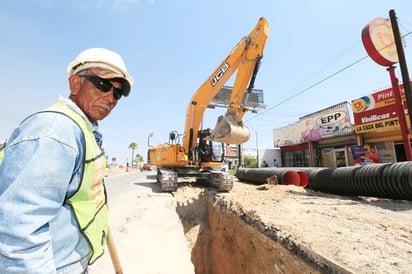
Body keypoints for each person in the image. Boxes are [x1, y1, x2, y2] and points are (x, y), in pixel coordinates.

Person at [0, 48, 134, 273]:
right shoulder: (56, 131)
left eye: (117, 93)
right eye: (103, 85)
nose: (111, 98)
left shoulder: (81, 130)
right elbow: (18, 238)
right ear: (75, 84)